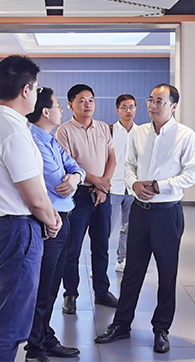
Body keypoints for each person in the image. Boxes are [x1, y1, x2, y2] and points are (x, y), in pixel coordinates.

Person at [94, 84, 195, 354]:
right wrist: (134, 184)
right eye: (150, 100)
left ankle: (161, 329)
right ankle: (121, 324)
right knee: (132, 272)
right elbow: (128, 165)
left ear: (173, 106)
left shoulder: (185, 135)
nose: (152, 105)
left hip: (167, 213)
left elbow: (191, 174)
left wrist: (160, 185)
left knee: (167, 274)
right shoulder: (139, 133)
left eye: (159, 101)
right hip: (140, 211)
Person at [0, 55, 62, 362]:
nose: (37, 94)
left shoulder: (0, 121)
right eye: (36, 89)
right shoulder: (11, 130)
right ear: (26, 90)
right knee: (10, 322)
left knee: (3, 314)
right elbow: (34, 196)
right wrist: (52, 220)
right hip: (17, 230)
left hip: (6, 226)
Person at [24, 87, 86, 362]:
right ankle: (35, 348)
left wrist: (75, 177)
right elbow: (54, 180)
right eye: (59, 105)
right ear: (46, 112)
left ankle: (44, 336)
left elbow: (75, 167)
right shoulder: (34, 142)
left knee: (53, 285)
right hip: (50, 223)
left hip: (65, 219)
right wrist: (71, 178)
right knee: (44, 287)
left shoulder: (50, 139)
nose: (62, 109)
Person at [56, 84, 118, 314]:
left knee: (101, 246)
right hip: (79, 195)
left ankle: (102, 291)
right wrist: (96, 181)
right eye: (81, 100)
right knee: (72, 248)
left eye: (91, 99)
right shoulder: (64, 131)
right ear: (70, 105)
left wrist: (103, 185)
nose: (87, 104)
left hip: (102, 194)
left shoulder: (102, 127)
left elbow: (112, 158)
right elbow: (68, 165)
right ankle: (70, 294)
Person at [110, 94, 137, 272]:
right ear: (118, 110)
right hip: (113, 186)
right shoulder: (109, 131)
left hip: (132, 188)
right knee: (106, 228)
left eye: (132, 107)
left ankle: (122, 259)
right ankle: (99, 264)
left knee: (128, 227)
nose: (129, 111)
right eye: (124, 107)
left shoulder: (141, 132)